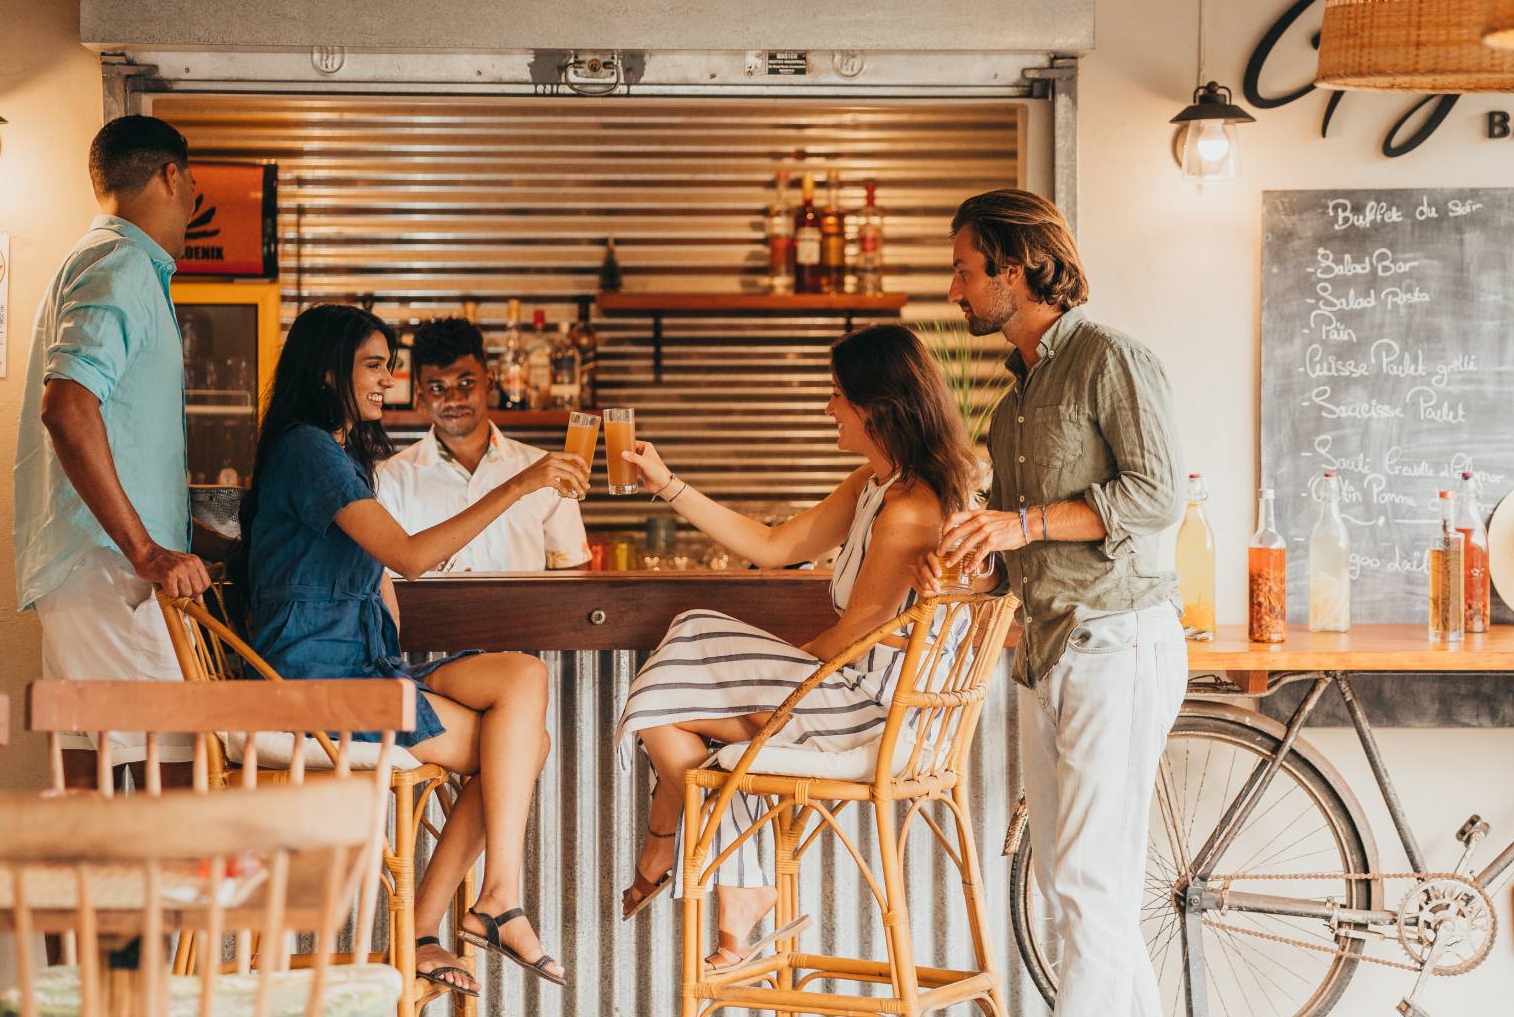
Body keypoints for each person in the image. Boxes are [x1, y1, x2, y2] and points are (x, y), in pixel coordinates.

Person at [235, 303, 591, 994]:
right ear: (328, 369)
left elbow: (379, 576)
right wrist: (522, 483)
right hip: (315, 678)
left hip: (358, 662)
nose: (387, 382)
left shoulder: (330, 451)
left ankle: (486, 902)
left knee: (522, 678)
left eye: (388, 367)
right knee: (524, 747)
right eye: (374, 367)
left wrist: (407, 663)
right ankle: (449, 919)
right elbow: (409, 557)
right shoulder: (309, 448)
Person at [613, 324, 981, 972]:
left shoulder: (912, 505)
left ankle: (670, 852)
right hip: (842, 685)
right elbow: (773, 546)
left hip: (872, 708)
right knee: (676, 697)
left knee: (690, 644)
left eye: (837, 395)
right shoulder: (873, 484)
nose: (827, 408)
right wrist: (667, 482)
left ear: (878, 408)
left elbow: (857, 632)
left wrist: (776, 679)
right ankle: (735, 889)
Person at [926, 189, 1185, 1016]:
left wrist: (1019, 522)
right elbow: (1016, 553)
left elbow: (1154, 496)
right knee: (1067, 878)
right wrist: (968, 570)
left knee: (1086, 878)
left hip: (1119, 641)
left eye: (966, 271)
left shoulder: (1111, 358)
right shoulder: (1013, 407)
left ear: (1015, 265)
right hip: (1047, 656)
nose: (956, 291)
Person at [14, 114, 223, 791]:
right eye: (191, 182)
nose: (192, 200)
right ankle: (166, 905)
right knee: (180, 779)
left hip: (90, 569)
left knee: (87, 773)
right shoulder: (124, 264)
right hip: (112, 573)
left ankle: (88, 901)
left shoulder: (96, 259)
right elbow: (67, 406)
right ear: (171, 176)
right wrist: (146, 551)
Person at [376, 318, 589, 572]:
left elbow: (572, 579)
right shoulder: (390, 480)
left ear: (489, 381)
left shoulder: (545, 471)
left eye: (466, 383)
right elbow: (382, 589)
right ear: (420, 395)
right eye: (437, 388)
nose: (453, 399)